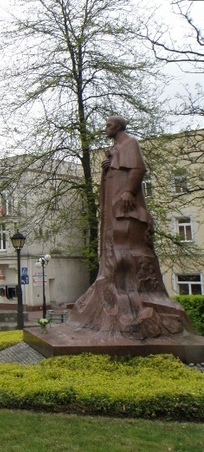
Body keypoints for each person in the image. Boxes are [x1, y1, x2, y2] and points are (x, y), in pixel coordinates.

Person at [67, 116, 191, 338]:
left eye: (108, 125)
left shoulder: (130, 142)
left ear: (119, 127)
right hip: (113, 195)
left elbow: (138, 168)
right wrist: (106, 168)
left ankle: (132, 298)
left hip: (123, 197)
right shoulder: (115, 147)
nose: (105, 129)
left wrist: (128, 191)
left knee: (124, 237)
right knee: (112, 241)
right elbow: (117, 170)